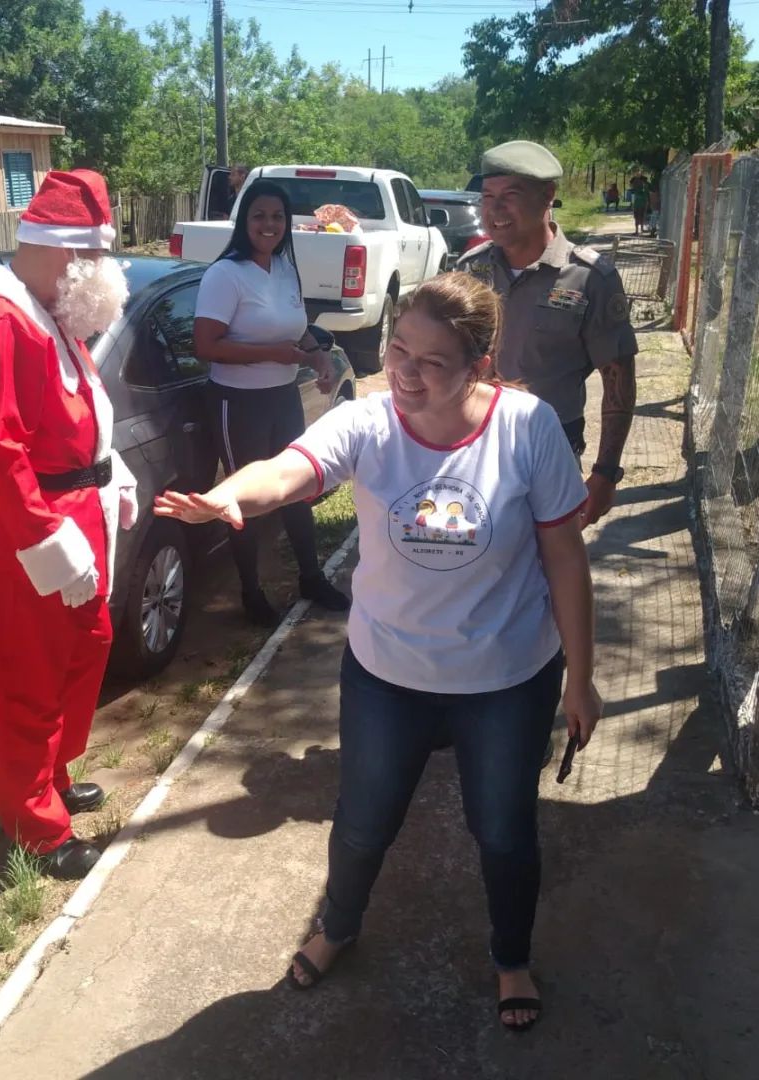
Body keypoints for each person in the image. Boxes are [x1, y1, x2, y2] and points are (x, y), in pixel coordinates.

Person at [157, 273, 601, 1032]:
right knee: (363, 822)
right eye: (398, 349)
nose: (405, 371)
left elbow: (564, 557)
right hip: (387, 674)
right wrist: (239, 493)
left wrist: (581, 680)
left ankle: (511, 956)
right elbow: (292, 467)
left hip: (506, 678)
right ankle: (337, 926)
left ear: (479, 365)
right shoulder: (367, 422)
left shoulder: (527, 429)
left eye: (432, 361)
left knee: (503, 831)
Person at [0, 170, 138, 881]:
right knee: (26, 679)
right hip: (27, 533)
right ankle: (36, 827)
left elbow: (78, 415)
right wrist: (47, 539)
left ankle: (51, 776)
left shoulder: (47, 310)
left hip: (71, 518)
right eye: (98, 260)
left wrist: (111, 473)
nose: (106, 275)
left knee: (85, 651)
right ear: (66, 254)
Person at [194, 178, 351, 626]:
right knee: (245, 498)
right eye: (260, 215)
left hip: (283, 396)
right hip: (237, 401)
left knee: (295, 489)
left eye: (278, 217)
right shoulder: (225, 274)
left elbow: (296, 327)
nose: (269, 225)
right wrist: (270, 353)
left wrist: (317, 354)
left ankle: (310, 576)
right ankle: (250, 592)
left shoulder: (284, 268)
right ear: (244, 219)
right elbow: (205, 345)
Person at [458, 140, 638, 529]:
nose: (495, 210)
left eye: (510, 196)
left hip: (552, 453)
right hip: (473, 447)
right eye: (487, 197)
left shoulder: (590, 278)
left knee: (552, 568)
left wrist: (606, 473)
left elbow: (618, 377)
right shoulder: (470, 271)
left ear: (548, 196)